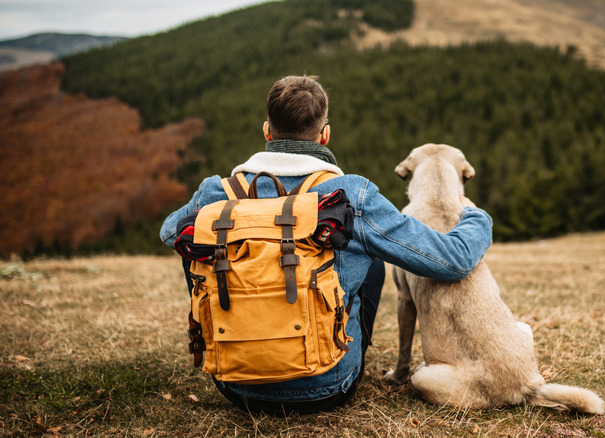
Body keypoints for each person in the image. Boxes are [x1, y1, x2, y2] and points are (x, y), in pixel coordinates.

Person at [159, 75, 493, 416]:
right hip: (328, 385)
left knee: (201, 244)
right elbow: (454, 260)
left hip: (235, 384)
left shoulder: (216, 193)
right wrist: (476, 216)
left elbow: (171, 233)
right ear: (325, 134)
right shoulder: (350, 195)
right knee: (371, 254)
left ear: (267, 132)